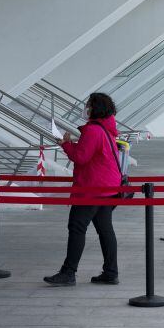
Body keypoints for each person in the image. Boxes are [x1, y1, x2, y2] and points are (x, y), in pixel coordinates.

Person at [44, 92, 122, 286]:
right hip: (108, 186)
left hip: (93, 188)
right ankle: (111, 272)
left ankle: (68, 273)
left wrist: (66, 144)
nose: (85, 108)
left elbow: (81, 157)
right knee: (105, 230)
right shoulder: (106, 129)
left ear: (94, 107)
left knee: (77, 227)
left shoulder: (93, 130)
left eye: (87, 104)